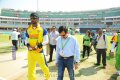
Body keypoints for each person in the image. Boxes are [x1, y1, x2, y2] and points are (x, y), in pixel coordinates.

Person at [26, 13, 50, 80]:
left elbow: (46, 40)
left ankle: (47, 78)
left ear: (38, 19)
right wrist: (28, 45)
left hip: (39, 51)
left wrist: (40, 45)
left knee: (43, 66)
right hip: (30, 52)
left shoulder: (43, 29)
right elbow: (26, 39)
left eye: (34, 18)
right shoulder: (28, 29)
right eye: (31, 18)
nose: (32, 20)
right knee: (31, 67)